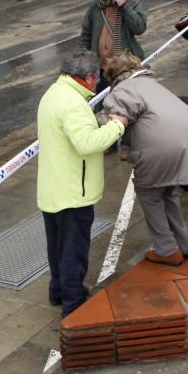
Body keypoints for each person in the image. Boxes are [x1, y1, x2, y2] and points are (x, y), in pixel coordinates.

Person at [37, 51, 130, 317]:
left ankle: (58, 290)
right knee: (73, 251)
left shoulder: (54, 93)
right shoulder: (72, 103)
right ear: (89, 77)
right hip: (73, 193)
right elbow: (87, 143)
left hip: (53, 188)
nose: (98, 82)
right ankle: (73, 302)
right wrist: (118, 126)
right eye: (96, 77)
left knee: (56, 247)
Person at [99, 53, 188, 266]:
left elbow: (112, 119)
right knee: (167, 192)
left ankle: (167, 250)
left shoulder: (124, 89)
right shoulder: (151, 83)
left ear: (113, 76)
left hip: (164, 146)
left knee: (149, 194)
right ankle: (184, 244)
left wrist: (92, 119)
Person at [80, 0, 148, 83]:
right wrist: (86, 62)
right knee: (101, 100)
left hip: (124, 70)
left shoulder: (130, 3)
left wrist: (124, 6)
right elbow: (86, 35)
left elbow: (140, 28)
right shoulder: (95, 7)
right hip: (100, 71)